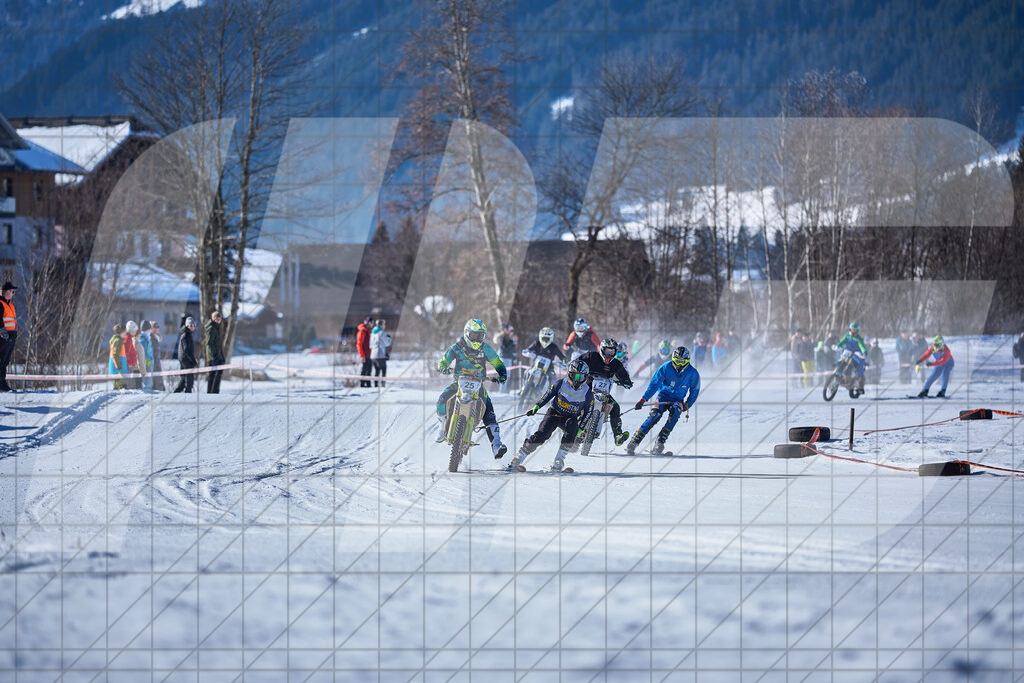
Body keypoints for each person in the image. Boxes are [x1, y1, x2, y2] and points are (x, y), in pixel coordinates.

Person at [435, 318, 508, 458]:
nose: (477, 339)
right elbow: (444, 361)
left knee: (489, 411)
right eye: (474, 335)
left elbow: (497, 362)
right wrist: (443, 367)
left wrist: (502, 373)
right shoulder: (456, 347)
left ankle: (496, 445)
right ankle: (441, 425)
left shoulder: (485, 348)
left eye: (481, 336)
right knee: (442, 399)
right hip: (459, 383)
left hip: (478, 384)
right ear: (467, 333)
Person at [508, 358, 595, 473]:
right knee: (542, 434)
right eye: (576, 376)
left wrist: (580, 428)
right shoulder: (560, 384)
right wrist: (536, 407)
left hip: (570, 418)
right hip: (554, 413)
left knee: (572, 430)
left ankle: (558, 461)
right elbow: (547, 395)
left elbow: (588, 413)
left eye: (582, 377)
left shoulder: (587, 393)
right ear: (570, 374)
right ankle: (518, 458)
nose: (579, 380)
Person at [626, 346, 701, 455]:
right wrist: (643, 399)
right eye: (677, 361)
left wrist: (687, 405)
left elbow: (695, 391)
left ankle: (660, 442)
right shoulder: (665, 368)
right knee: (654, 416)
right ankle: (635, 441)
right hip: (663, 396)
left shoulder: (693, 373)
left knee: (675, 412)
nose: (679, 365)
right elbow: (654, 385)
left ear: (687, 361)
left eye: (682, 362)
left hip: (678, 400)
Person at [576, 338, 634, 446]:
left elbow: (624, 376)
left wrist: (627, 382)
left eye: (612, 351)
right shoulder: (592, 356)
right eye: (608, 350)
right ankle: (570, 426)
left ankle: (618, 435)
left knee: (615, 407)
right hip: (587, 388)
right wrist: (578, 370)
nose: (610, 353)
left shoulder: (616, 363)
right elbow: (577, 362)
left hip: (604, 393)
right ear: (602, 349)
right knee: (577, 402)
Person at [835, 322, 868, 393]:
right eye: (852, 329)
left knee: (860, 369)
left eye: (855, 330)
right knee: (841, 362)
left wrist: (864, 352)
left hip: (858, 354)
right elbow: (842, 342)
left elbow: (862, 346)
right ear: (850, 329)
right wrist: (838, 345)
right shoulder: (847, 336)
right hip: (848, 352)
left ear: (857, 330)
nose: (853, 331)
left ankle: (860, 387)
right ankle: (838, 375)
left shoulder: (859, 338)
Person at [0, 281, 17, 392]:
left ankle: (3, 383)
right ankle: (1, 385)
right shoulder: (0, 303)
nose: (13, 293)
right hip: (3, 338)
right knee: (1, 361)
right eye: (12, 291)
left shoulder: (9, 304)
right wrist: (3, 333)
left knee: (5, 362)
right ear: (6, 292)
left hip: (11, 337)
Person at [173, 317, 197, 393]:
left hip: (185, 359)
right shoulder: (186, 335)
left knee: (183, 380)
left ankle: (175, 394)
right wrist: (193, 360)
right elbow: (186, 350)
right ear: (187, 326)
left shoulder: (187, 334)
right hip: (186, 360)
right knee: (189, 381)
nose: (193, 327)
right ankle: (187, 395)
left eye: (193, 325)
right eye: (191, 325)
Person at [493, 323, 518, 392]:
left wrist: (514, 342)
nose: (510, 331)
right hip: (504, 358)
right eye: (508, 329)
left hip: (508, 358)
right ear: (504, 329)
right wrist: (513, 341)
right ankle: (502, 392)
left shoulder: (507, 337)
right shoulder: (501, 337)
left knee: (508, 376)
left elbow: (511, 349)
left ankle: (504, 391)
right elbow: (504, 348)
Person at [205, 311, 225, 394]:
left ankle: (215, 391)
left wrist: (221, 356)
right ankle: (211, 393)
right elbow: (209, 343)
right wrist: (214, 355)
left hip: (218, 356)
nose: (219, 321)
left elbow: (217, 344)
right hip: (213, 357)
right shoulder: (211, 328)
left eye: (220, 319)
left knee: (218, 374)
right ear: (214, 319)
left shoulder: (215, 328)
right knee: (212, 375)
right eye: (217, 319)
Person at [370, 319, 392, 387]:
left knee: (377, 371)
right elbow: (387, 343)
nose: (385, 326)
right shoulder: (381, 332)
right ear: (381, 325)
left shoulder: (372, 333)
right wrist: (389, 338)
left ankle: (376, 386)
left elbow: (370, 345)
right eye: (384, 324)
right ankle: (383, 386)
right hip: (380, 355)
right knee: (383, 371)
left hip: (373, 355)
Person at [125, 321, 145, 389]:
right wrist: (131, 362)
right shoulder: (129, 339)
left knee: (133, 385)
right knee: (133, 386)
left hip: (132, 365)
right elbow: (127, 353)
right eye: (135, 331)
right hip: (132, 366)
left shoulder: (130, 339)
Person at [108, 323, 128, 390]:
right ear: (121, 332)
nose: (126, 333)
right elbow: (115, 355)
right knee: (122, 388)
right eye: (125, 331)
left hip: (116, 369)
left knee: (117, 389)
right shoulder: (118, 341)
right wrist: (119, 369)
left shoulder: (117, 340)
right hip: (118, 370)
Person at [356, 316, 373, 387]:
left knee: (369, 370)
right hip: (365, 354)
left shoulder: (369, 331)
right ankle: (362, 385)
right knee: (364, 370)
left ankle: (368, 385)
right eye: (371, 323)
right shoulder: (362, 331)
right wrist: (362, 355)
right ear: (367, 323)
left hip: (370, 354)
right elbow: (359, 344)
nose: (372, 324)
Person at [139, 320, 155, 390]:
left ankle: (148, 390)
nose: (150, 331)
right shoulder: (143, 339)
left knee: (149, 381)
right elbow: (143, 353)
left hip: (149, 362)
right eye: (149, 329)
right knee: (147, 381)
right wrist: (147, 361)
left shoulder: (147, 338)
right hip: (146, 363)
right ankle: (147, 392)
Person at [150, 321, 165, 391]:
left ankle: (160, 389)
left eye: (157, 327)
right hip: (153, 361)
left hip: (157, 360)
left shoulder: (156, 337)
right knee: (156, 379)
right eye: (154, 327)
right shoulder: (151, 337)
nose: (156, 328)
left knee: (158, 377)